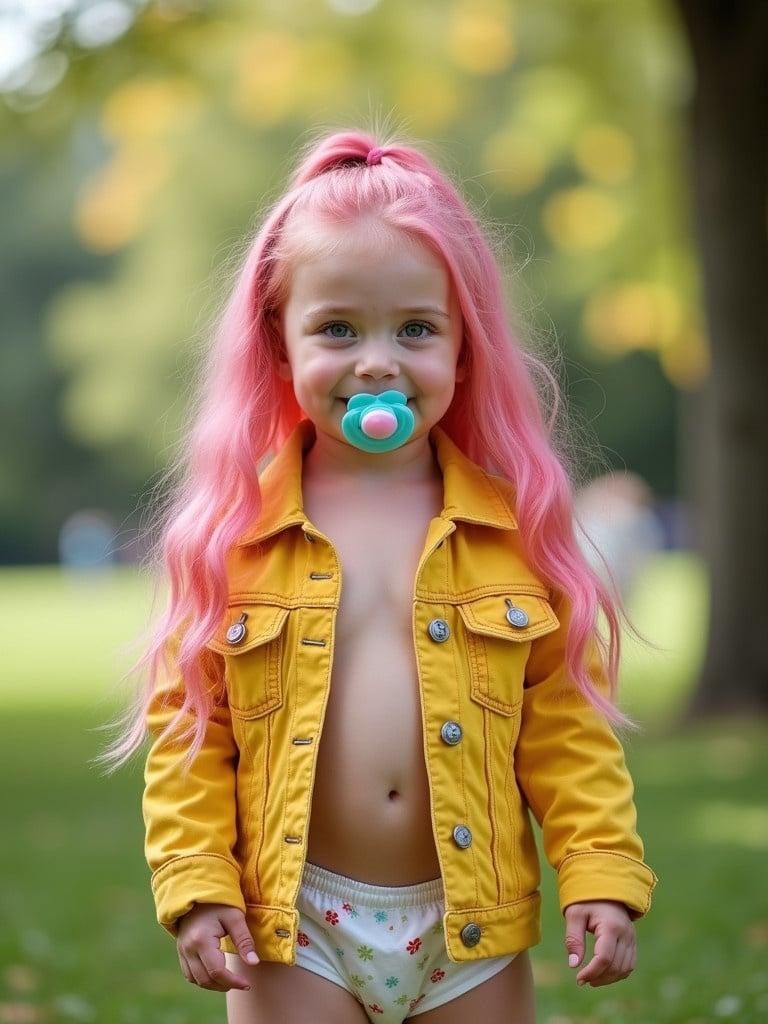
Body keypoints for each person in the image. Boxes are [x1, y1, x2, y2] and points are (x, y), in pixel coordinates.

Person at [94, 129, 659, 1024]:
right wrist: (198, 881)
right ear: (277, 342)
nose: (377, 362)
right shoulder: (235, 537)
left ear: (464, 347)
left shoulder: (512, 532)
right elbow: (192, 732)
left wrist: (600, 870)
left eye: (416, 330)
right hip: (297, 923)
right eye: (337, 329)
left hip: (469, 923)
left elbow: (564, 726)